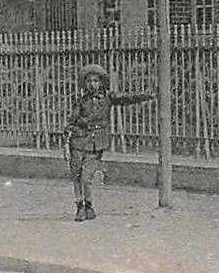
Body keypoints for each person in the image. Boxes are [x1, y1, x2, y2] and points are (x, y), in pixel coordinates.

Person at [64, 62, 153, 221]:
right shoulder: (80, 101)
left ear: (101, 82)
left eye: (96, 81)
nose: (92, 84)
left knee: (86, 178)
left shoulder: (108, 98)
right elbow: (71, 122)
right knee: (76, 176)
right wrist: (71, 134)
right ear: (84, 83)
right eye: (89, 81)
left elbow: (127, 98)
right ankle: (80, 207)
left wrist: (146, 95)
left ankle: (89, 205)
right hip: (78, 143)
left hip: (96, 143)